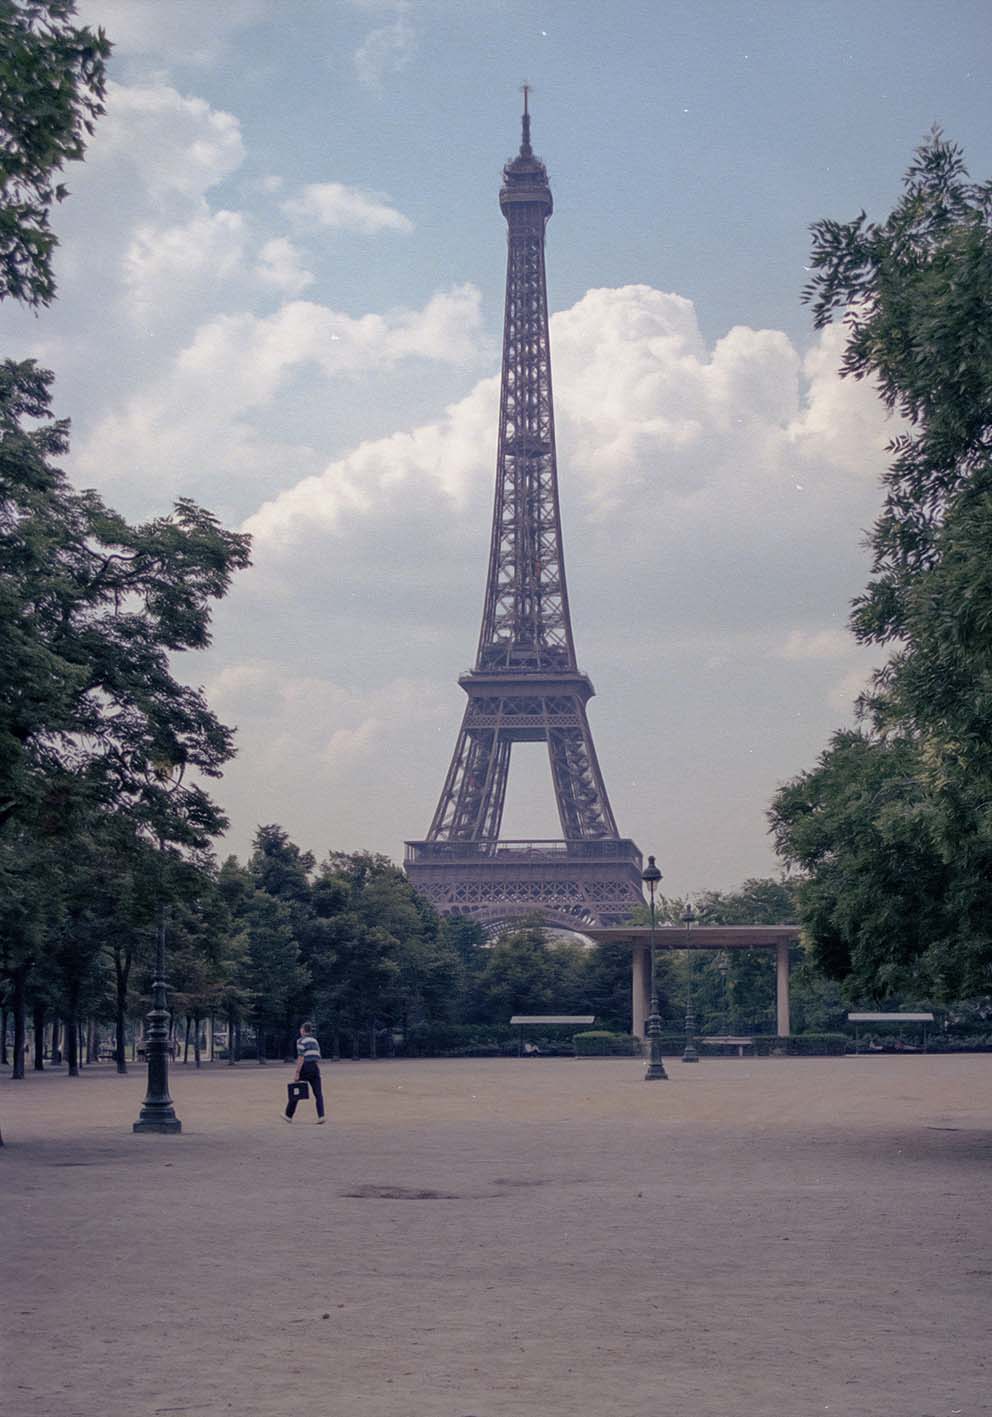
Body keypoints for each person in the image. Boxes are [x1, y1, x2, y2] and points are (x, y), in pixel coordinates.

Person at [284, 1021, 326, 1123]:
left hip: (305, 1067)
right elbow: (317, 1056)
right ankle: (321, 1116)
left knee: (296, 1089)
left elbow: (301, 1057)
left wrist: (297, 1072)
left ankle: (288, 1115)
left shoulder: (300, 1041)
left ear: (303, 1030)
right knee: (318, 1093)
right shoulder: (315, 1041)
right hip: (315, 1067)